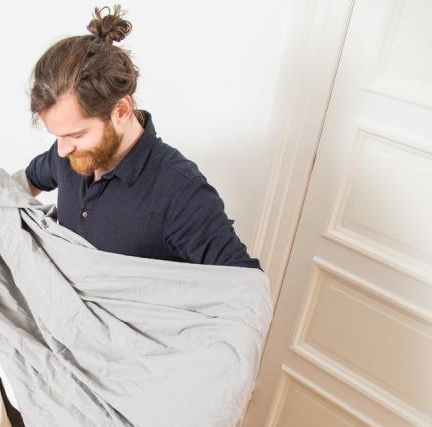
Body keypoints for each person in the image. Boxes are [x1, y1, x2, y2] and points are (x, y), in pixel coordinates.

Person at [25, 5, 262, 270]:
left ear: (121, 110)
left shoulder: (180, 192)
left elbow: (245, 288)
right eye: (58, 135)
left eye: (76, 134)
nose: (62, 150)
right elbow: (28, 180)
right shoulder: (68, 153)